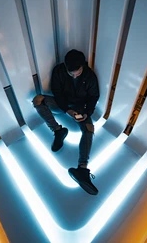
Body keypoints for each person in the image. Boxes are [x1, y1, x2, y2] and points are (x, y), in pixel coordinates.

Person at [32, 49, 99, 195]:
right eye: (71, 73)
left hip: (81, 108)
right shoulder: (59, 71)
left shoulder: (90, 76)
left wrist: (86, 113)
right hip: (63, 104)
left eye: (78, 72)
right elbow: (57, 93)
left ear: (83, 66)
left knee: (89, 128)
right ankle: (58, 131)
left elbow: (93, 97)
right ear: (66, 67)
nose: (74, 75)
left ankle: (82, 169)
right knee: (38, 100)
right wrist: (67, 110)